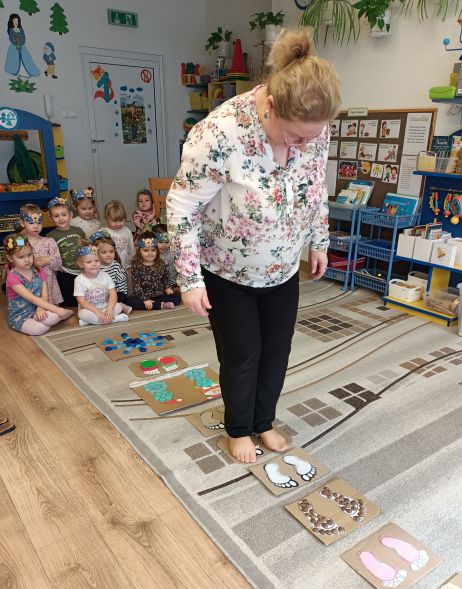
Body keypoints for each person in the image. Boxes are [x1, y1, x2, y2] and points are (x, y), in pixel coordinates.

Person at [167, 28, 341, 463]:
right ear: (271, 107)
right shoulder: (220, 132)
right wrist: (189, 279)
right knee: (243, 354)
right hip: (228, 269)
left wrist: (319, 241)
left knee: (277, 351)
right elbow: (182, 205)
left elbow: (315, 186)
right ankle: (239, 428)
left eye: (313, 137)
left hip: (283, 266)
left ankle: (264, 421)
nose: (305, 145)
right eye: (296, 136)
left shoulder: (314, 130)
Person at [4, 235, 73, 335]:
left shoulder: (39, 270)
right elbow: (32, 299)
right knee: (38, 329)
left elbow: (44, 295)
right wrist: (56, 309)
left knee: (53, 317)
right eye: (21, 257)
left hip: (38, 308)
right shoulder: (12, 277)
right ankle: (60, 314)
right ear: (10, 258)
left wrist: (40, 309)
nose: (27, 260)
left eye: (29, 255)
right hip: (20, 315)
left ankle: (64, 313)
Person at [17, 204, 63, 305]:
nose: (36, 226)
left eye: (39, 222)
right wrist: (31, 263)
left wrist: (48, 260)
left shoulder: (49, 241)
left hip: (49, 286)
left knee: (51, 311)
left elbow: (58, 264)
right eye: (31, 223)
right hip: (28, 286)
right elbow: (16, 262)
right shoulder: (20, 241)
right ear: (22, 223)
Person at [73, 244, 129, 326]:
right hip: (90, 310)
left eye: (97, 261)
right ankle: (116, 319)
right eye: (89, 262)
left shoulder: (105, 275)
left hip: (105, 307)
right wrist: (97, 312)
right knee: (82, 314)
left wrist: (109, 309)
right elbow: (81, 301)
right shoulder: (79, 280)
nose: (94, 264)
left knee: (118, 306)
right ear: (81, 264)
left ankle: (95, 321)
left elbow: (113, 294)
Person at [47, 197, 86, 307]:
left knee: (84, 296)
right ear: (51, 218)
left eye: (64, 215)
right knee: (68, 302)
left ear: (70, 215)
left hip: (82, 270)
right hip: (65, 272)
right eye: (56, 216)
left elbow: (85, 247)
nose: (61, 218)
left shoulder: (78, 231)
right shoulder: (50, 236)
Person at [129, 231, 180, 310]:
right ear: (139, 251)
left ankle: (157, 304)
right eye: (146, 250)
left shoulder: (161, 262)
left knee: (177, 298)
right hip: (143, 296)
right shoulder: (136, 265)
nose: (150, 253)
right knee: (131, 302)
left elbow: (165, 277)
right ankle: (160, 305)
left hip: (160, 294)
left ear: (157, 250)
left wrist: (167, 288)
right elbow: (136, 285)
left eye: (153, 250)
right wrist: (145, 299)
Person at [90, 230, 132, 314]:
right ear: (95, 253)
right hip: (99, 295)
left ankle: (118, 305)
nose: (108, 255)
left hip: (115, 294)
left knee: (121, 297)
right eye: (104, 252)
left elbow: (121, 283)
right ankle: (115, 307)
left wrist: (122, 295)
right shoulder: (94, 267)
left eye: (111, 251)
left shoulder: (115, 265)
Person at [100, 200, 135, 269]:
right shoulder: (103, 232)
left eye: (121, 220)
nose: (118, 224)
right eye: (114, 221)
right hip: (109, 267)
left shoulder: (127, 231)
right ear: (106, 219)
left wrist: (132, 259)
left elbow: (132, 248)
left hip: (126, 266)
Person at [5, 13, 40, 77]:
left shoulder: (20, 30)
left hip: (22, 46)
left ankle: (27, 71)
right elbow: (11, 38)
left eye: (17, 20)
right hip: (14, 46)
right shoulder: (11, 30)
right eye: (14, 20)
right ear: (12, 21)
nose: (16, 22)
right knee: (14, 58)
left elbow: (23, 38)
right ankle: (15, 71)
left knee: (25, 57)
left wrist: (21, 43)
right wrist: (16, 43)